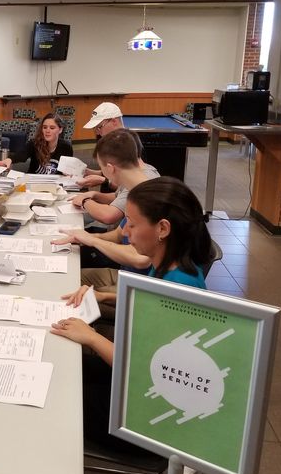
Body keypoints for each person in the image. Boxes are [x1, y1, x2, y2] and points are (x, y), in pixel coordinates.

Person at [50, 176, 211, 450]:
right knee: (59, 368)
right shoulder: (172, 265)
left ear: (162, 229)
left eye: (133, 225)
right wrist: (104, 295)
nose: (125, 232)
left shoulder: (179, 288)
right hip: (140, 386)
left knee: (56, 396)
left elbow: (142, 366)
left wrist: (90, 337)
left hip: (145, 415)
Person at [53, 129, 154, 291]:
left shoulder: (148, 198)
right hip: (126, 273)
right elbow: (118, 234)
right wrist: (85, 237)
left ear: (110, 168)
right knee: (63, 279)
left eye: (100, 167)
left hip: (144, 287)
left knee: (66, 289)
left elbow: (141, 259)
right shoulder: (136, 192)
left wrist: (93, 241)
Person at [0, 112, 73, 174]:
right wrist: (8, 160)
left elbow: (67, 170)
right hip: (33, 183)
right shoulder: (34, 143)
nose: (47, 131)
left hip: (56, 184)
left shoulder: (66, 147)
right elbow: (21, 155)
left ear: (60, 130)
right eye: (45, 127)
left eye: (52, 128)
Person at [77, 102, 125, 189]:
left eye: (99, 127)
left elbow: (130, 187)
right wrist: (88, 172)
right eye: (95, 128)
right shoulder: (111, 143)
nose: (97, 132)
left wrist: (103, 181)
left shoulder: (130, 147)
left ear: (114, 121)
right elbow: (112, 173)